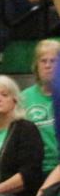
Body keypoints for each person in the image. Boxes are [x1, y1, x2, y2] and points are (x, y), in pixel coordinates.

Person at [22, 40, 58, 175]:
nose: (48, 66)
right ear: (36, 66)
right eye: (43, 61)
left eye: (53, 61)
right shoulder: (24, 97)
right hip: (34, 170)